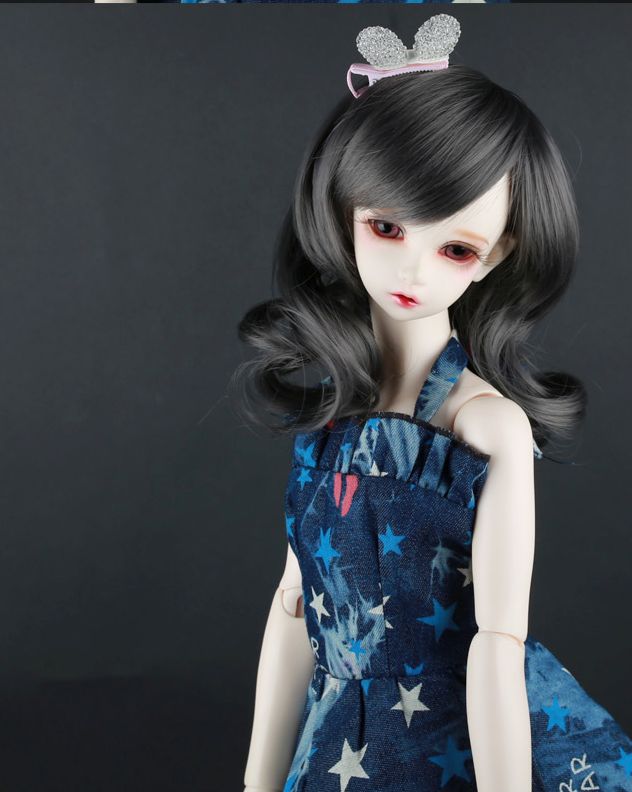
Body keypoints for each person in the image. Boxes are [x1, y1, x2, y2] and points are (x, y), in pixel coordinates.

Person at [234, 13, 632, 791]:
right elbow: (292, 610)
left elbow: (497, 643)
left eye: (455, 247)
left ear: (496, 256)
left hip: (444, 753)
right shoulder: (333, 423)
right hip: (336, 751)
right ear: (344, 214)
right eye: (386, 227)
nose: (412, 269)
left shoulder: (485, 427)